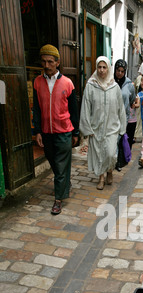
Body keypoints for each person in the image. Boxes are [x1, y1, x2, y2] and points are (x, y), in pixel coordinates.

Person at [33, 44, 79, 215]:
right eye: (44, 61)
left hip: (64, 131)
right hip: (46, 133)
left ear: (57, 62)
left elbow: (74, 110)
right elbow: (36, 109)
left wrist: (75, 132)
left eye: (50, 62)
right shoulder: (37, 82)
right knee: (54, 162)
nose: (46, 65)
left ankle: (58, 199)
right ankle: (65, 183)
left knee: (60, 165)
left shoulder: (67, 83)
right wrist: (37, 131)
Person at [79, 56, 126, 190]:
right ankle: (101, 177)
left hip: (112, 127)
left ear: (109, 68)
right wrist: (87, 128)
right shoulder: (91, 85)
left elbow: (120, 108)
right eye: (99, 67)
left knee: (110, 153)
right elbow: (86, 107)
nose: (101, 70)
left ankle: (110, 171)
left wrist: (122, 127)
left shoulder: (114, 86)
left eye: (104, 67)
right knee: (99, 153)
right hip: (96, 127)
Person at [114, 59, 136, 124]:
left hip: (124, 118)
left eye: (122, 71)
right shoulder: (110, 82)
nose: (120, 73)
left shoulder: (129, 84)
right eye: (118, 70)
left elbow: (132, 100)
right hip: (111, 117)